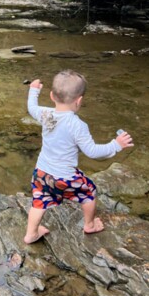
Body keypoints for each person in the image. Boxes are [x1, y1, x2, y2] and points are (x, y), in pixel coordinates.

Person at [24, 70, 134, 244]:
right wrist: (116, 145)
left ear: (52, 96)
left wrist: (34, 90)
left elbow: (31, 108)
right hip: (64, 177)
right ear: (79, 101)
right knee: (89, 191)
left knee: (39, 201)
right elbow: (92, 152)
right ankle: (89, 225)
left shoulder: (45, 114)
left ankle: (31, 234)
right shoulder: (77, 125)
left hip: (42, 173)